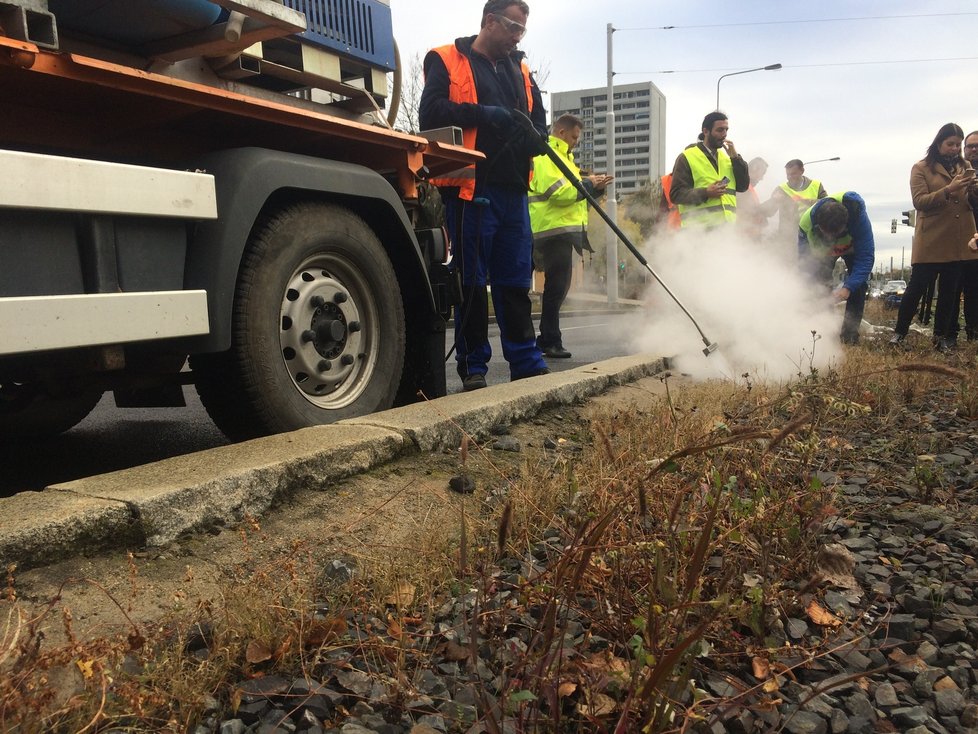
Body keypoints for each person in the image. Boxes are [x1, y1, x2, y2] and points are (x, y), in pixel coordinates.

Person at [418, 0, 549, 391]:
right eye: (512, 28)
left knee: (513, 281)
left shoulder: (521, 69)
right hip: (470, 189)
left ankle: (526, 361)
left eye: (522, 31)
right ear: (489, 21)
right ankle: (473, 366)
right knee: (471, 281)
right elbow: (432, 113)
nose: (517, 37)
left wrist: (537, 139)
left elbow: (537, 118)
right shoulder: (446, 59)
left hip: (512, 190)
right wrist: (487, 114)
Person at [528, 114, 612, 359]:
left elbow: (572, 194)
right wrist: (588, 186)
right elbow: (558, 193)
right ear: (561, 132)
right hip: (550, 230)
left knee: (558, 287)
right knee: (556, 288)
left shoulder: (566, 159)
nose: (576, 142)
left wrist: (593, 187)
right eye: (574, 137)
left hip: (560, 230)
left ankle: (547, 339)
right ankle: (549, 340)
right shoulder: (546, 155)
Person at [890, 123, 977, 351]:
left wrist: (973, 189)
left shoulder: (964, 165)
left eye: (958, 145)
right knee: (916, 287)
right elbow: (920, 202)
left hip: (959, 239)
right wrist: (949, 189)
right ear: (939, 143)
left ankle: (941, 338)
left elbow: (969, 202)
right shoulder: (921, 168)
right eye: (950, 144)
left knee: (949, 291)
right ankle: (899, 333)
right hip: (931, 239)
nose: (954, 149)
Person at [798, 192, 875, 345]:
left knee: (858, 287)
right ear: (819, 225)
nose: (832, 239)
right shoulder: (806, 224)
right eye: (827, 234)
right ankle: (822, 331)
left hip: (853, 250)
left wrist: (848, 287)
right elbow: (804, 261)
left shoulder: (858, 218)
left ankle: (849, 335)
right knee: (819, 285)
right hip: (823, 253)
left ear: (845, 224)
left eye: (835, 234)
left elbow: (866, 257)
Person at [669, 112, 750, 228]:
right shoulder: (686, 157)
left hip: (727, 233)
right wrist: (706, 193)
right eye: (720, 130)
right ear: (705, 131)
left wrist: (736, 158)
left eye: (726, 130)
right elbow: (676, 195)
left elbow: (743, 186)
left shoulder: (728, 158)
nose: (724, 134)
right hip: (697, 233)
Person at [948, 129, 978, 341]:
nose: (974, 150)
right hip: (956, 237)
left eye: (977, 146)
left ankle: (973, 331)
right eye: (970, 146)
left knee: (974, 288)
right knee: (953, 285)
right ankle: (949, 330)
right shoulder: (955, 169)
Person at [768, 159, 827, 247]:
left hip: (813, 237)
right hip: (789, 240)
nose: (790, 177)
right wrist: (774, 200)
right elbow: (769, 212)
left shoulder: (816, 185)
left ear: (802, 171)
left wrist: (807, 201)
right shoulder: (781, 189)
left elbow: (827, 205)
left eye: (793, 174)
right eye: (788, 174)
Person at [736, 156, 770, 239]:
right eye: (762, 174)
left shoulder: (749, 188)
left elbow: (753, 210)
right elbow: (739, 212)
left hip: (749, 236)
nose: (762, 178)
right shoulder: (742, 188)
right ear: (754, 170)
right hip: (743, 238)